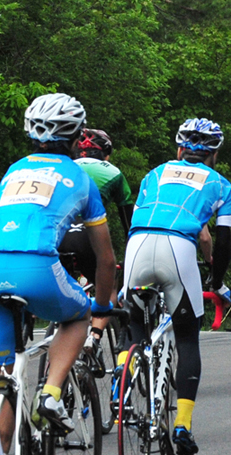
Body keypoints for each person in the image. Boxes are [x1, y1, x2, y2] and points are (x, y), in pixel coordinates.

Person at [0, 93, 118, 442]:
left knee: (4, 379)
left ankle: (1, 434)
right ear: (76, 135)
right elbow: (106, 258)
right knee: (78, 316)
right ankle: (51, 393)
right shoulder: (79, 176)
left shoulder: (13, 171)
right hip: (36, 265)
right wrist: (101, 306)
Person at [127, 118, 231, 455]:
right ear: (214, 154)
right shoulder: (220, 185)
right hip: (179, 248)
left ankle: (123, 383)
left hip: (138, 243)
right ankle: (182, 426)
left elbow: (136, 217)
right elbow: (224, 240)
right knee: (188, 336)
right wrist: (216, 282)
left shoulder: (154, 174)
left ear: (179, 149)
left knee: (133, 324)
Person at [63, 127, 134, 336]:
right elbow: (129, 224)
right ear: (106, 155)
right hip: (88, 237)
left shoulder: (64, 168)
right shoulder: (113, 172)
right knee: (109, 286)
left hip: (57, 236)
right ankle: (95, 335)